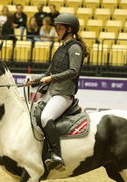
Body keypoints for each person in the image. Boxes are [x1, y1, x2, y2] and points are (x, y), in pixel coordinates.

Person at [25, 13, 89, 171]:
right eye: (56, 28)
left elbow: (73, 71)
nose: (56, 31)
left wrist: (52, 78)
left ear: (69, 29)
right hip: (52, 92)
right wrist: (34, 80)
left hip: (64, 94)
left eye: (59, 28)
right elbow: (48, 73)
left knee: (47, 117)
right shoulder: (62, 48)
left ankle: (57, 155)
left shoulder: (75, 47)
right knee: (33, 117)